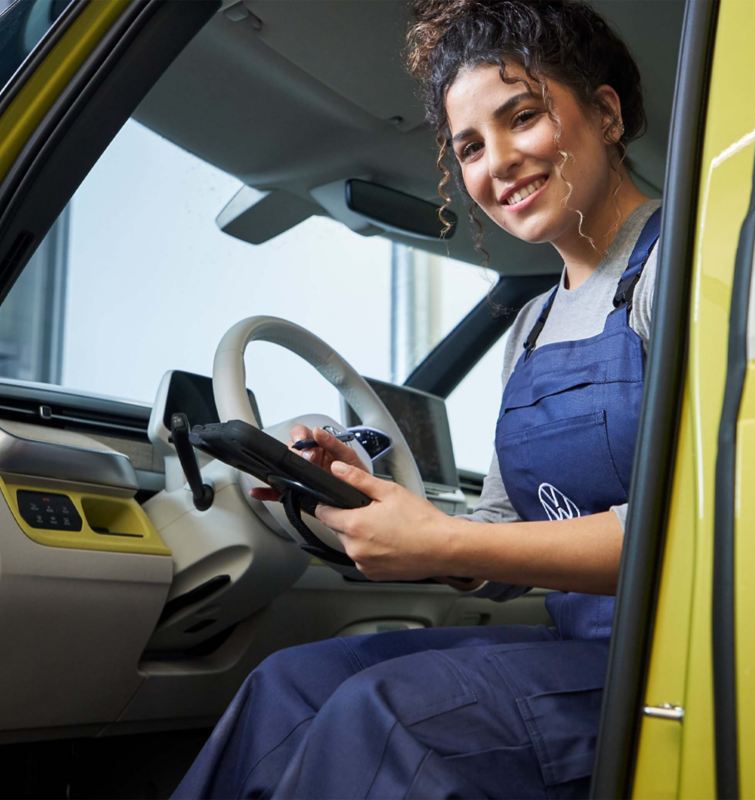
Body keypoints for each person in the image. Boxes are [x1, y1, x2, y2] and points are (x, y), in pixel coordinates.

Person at [173, 0, 660, 797]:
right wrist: (394, 511)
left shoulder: (684, 266)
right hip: (584, 650)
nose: (497, 162)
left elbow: (694, 533)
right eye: (470, 146)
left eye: (523, 117)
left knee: (387, 714)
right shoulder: (532, 325)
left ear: (604, 113)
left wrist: (445, 544)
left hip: (680, 657)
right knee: (287, 685)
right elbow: (508, 536)